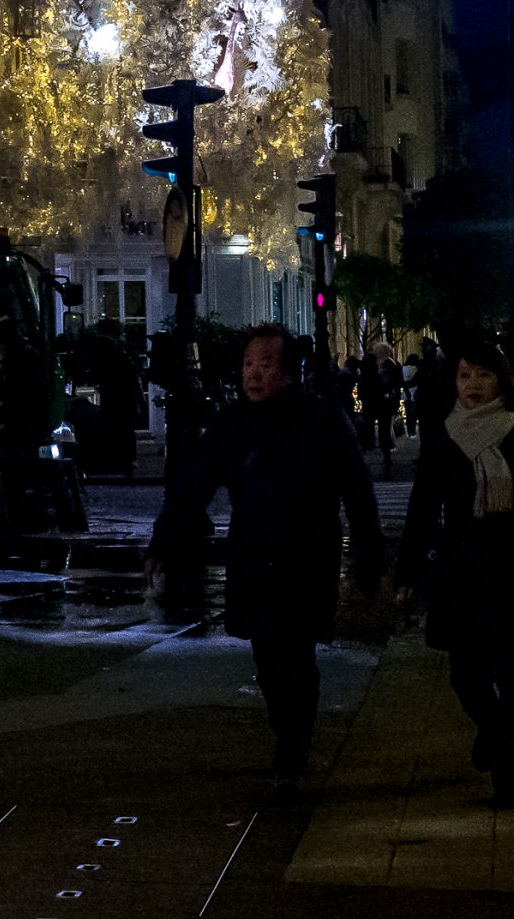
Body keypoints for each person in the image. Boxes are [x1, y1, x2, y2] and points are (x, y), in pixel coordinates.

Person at [159, 325, 384, 786]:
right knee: (267, 656)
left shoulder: (321, 418)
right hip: (252, 552)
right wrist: (163, 542)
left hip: (308, 554)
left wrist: (369, 556)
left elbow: (357, 490)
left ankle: (294, 743)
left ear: (288, 373)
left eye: (265, 365)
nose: (253, 374)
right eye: (248, 364)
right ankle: (287, 731)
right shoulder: (232, 423)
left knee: (296, 653)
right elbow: (192, 487)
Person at [403, 335, 514, 811]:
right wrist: (406, 570)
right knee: (466, 674)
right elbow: (424, 504)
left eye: (483, 375)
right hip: (462, 572)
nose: (473, 385)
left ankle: (510, 775)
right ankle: (492, 728)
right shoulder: (443, 433)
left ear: (501, 381)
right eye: (465, 375)